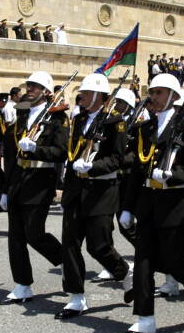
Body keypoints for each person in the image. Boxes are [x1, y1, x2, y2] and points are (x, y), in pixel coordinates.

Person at [117, 74, 184, 333]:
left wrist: (174, 175)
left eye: (159, 92)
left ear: (172, 96)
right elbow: (137, 172)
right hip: (148, 203)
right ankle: (145, 319)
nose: (153, 97)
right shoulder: (144, 130)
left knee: (172, 260)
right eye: (152, 92)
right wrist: (128, 207)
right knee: (144, 262)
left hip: (175, 204)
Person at [56, 73, 131, 320]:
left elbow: (118, 158)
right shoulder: (78, 120)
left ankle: (124, 273)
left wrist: (93, 167)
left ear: (98, 96)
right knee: (70, 243)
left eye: (86, 93)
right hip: (76, 190)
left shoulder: (114, 122)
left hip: (101, 191)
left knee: (99, 246)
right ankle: (76, 297)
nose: (81, 97)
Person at [0, 71, 66, 304]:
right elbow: (13, 155)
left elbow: (61, 152)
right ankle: (22, 284)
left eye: (35, 86)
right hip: (18, 179)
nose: (30, 89)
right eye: (29, 85)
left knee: (34, 234)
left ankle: (66, 259)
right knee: (15, 236)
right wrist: (6, 189)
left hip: (40, 181)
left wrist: (35, 149)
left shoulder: (57, 118)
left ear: (46, 92)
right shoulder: (22, 113)